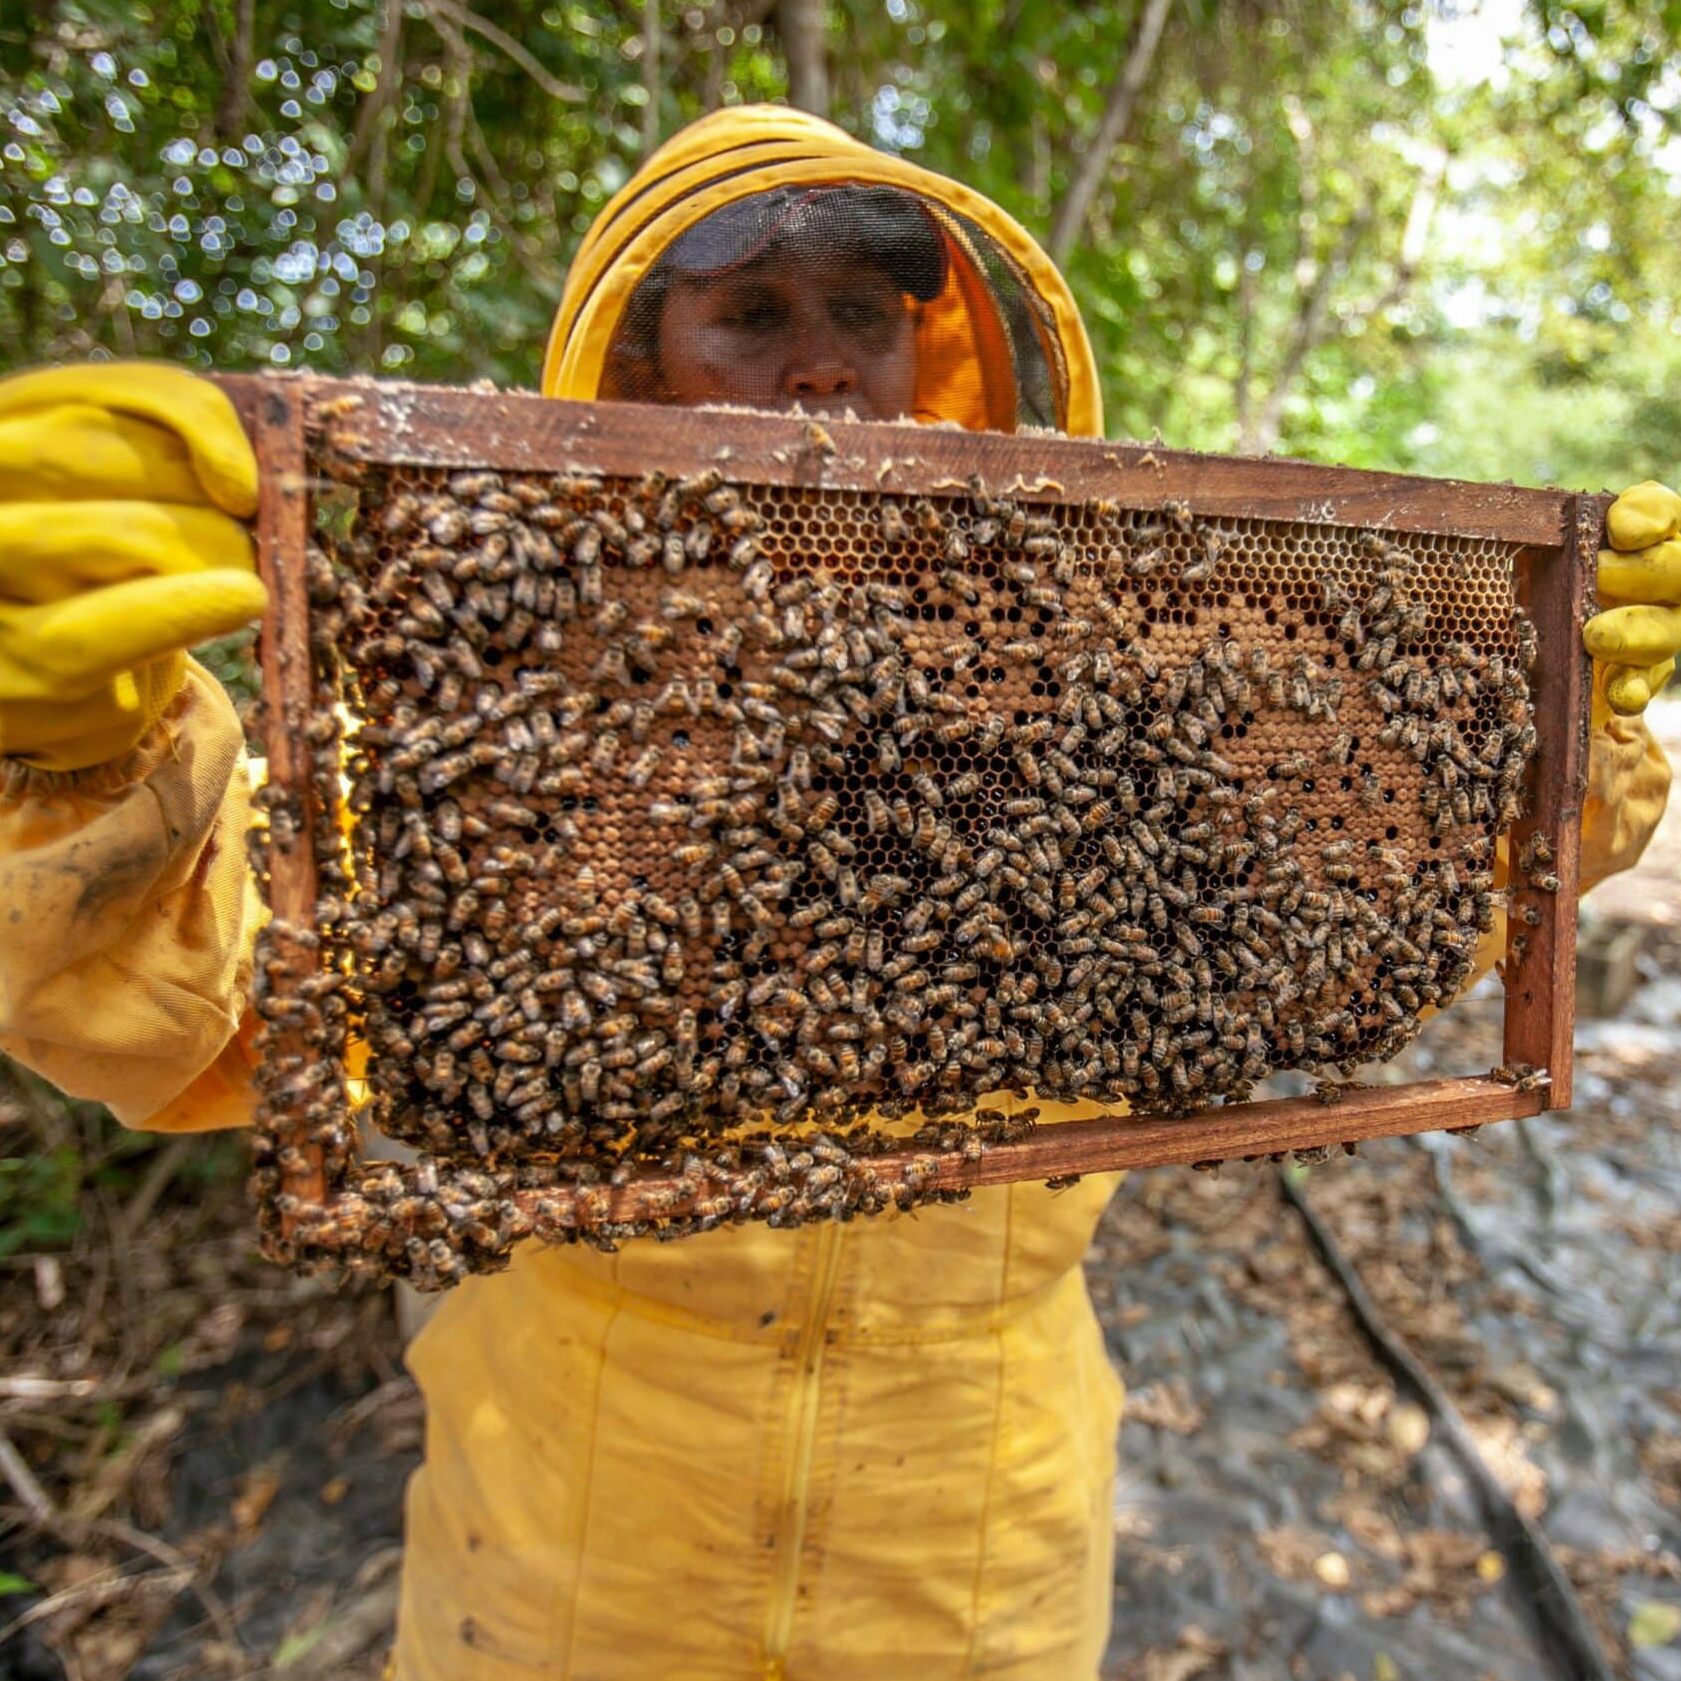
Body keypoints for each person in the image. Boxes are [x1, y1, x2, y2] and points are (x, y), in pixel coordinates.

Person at [0, 104, 1673, 1680]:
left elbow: (1365, 911)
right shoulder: (500, 707)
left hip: (972, 1534)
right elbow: (218, 1003)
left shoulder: (1108, 685)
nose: (822, 368)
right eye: (749, 314)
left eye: (868, 315)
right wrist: (70, 763)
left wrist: (1555, 743)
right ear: (634, 365)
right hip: (579, 1523)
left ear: (932, 364)